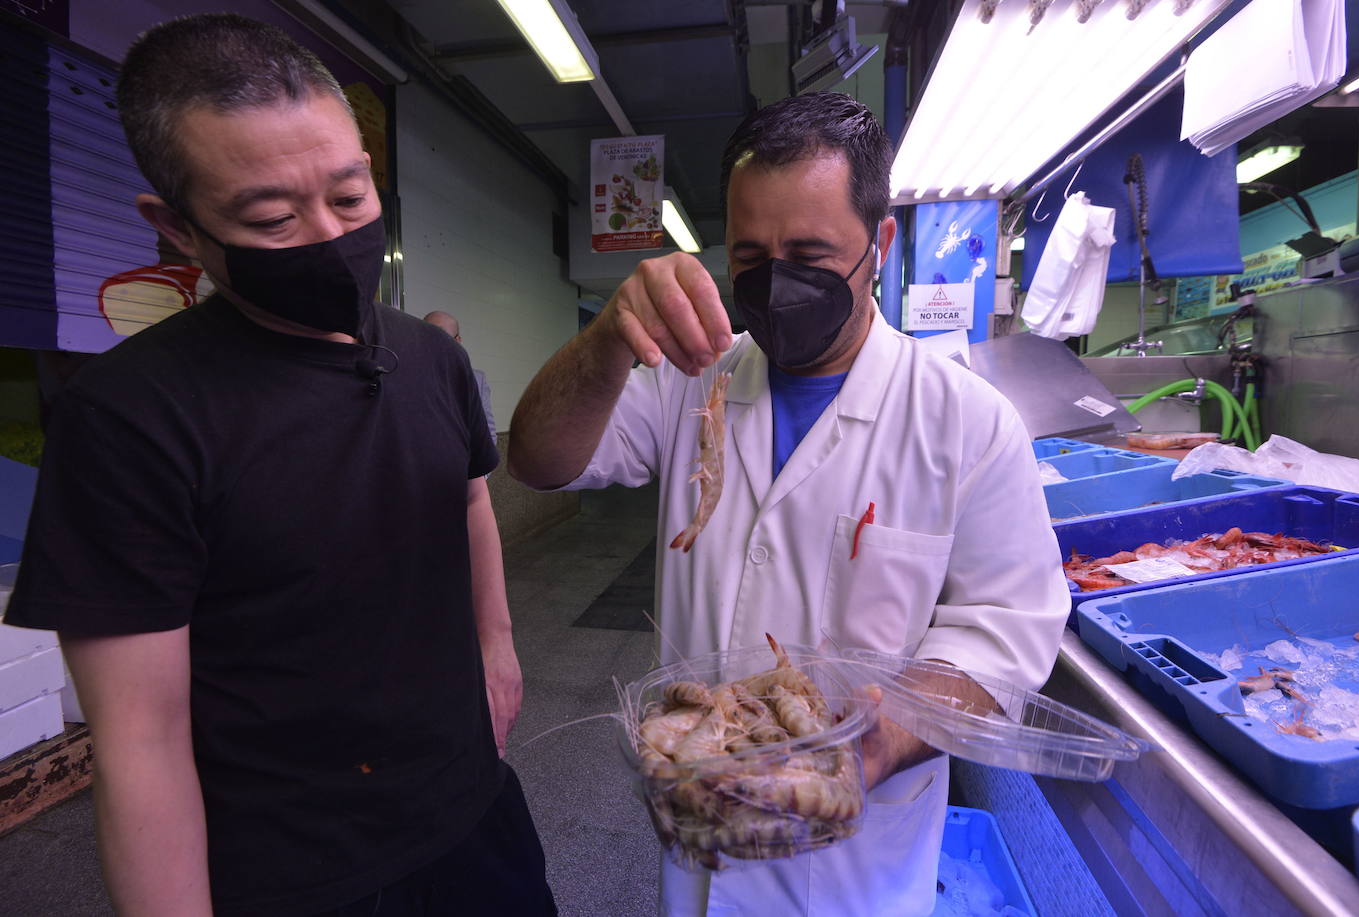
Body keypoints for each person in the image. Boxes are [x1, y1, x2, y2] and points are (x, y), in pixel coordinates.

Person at [5, 14, 555, 917]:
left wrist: (496, 644)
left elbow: (466, 503)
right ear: (176, 230)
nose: (330, 235)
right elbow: (139, 742)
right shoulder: (129, 418)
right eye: (270, 216)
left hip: (473, 812)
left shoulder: (432, 358)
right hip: (292, 866)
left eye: (350, 196)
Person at [508, 92, 1069, 916]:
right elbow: (537, 458)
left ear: (878, 243)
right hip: (701, 843)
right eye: (752, 256)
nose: (778, 283)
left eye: (810, 252)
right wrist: (604, 341)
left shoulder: (964, 421)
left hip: (856, 868)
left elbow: (1009, 629)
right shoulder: (691, 380)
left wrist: (877, 745)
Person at [425, 311, 498, 446]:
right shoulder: (408, 375)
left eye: (441, 337)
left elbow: (487, 430)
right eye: (427, 337)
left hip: (465, 463)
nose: (433, 344)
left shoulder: (477, 380)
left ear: (457, 341)